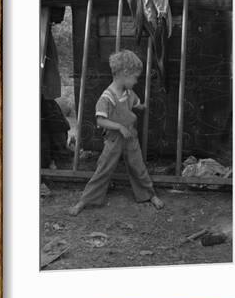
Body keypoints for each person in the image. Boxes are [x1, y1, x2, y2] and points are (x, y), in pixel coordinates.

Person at [68, 49, 164, 215]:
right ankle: (85, 200)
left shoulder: (127, 92)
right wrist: (119, 127)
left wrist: (139, 106)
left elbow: (132, 102)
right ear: (124, 74)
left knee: (138, 166)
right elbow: (100, 120)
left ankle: (149, 194)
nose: (136, 81)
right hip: (114, 139)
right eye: (135, 77)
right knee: (104, 168)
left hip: (130, 136)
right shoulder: (107, 97)